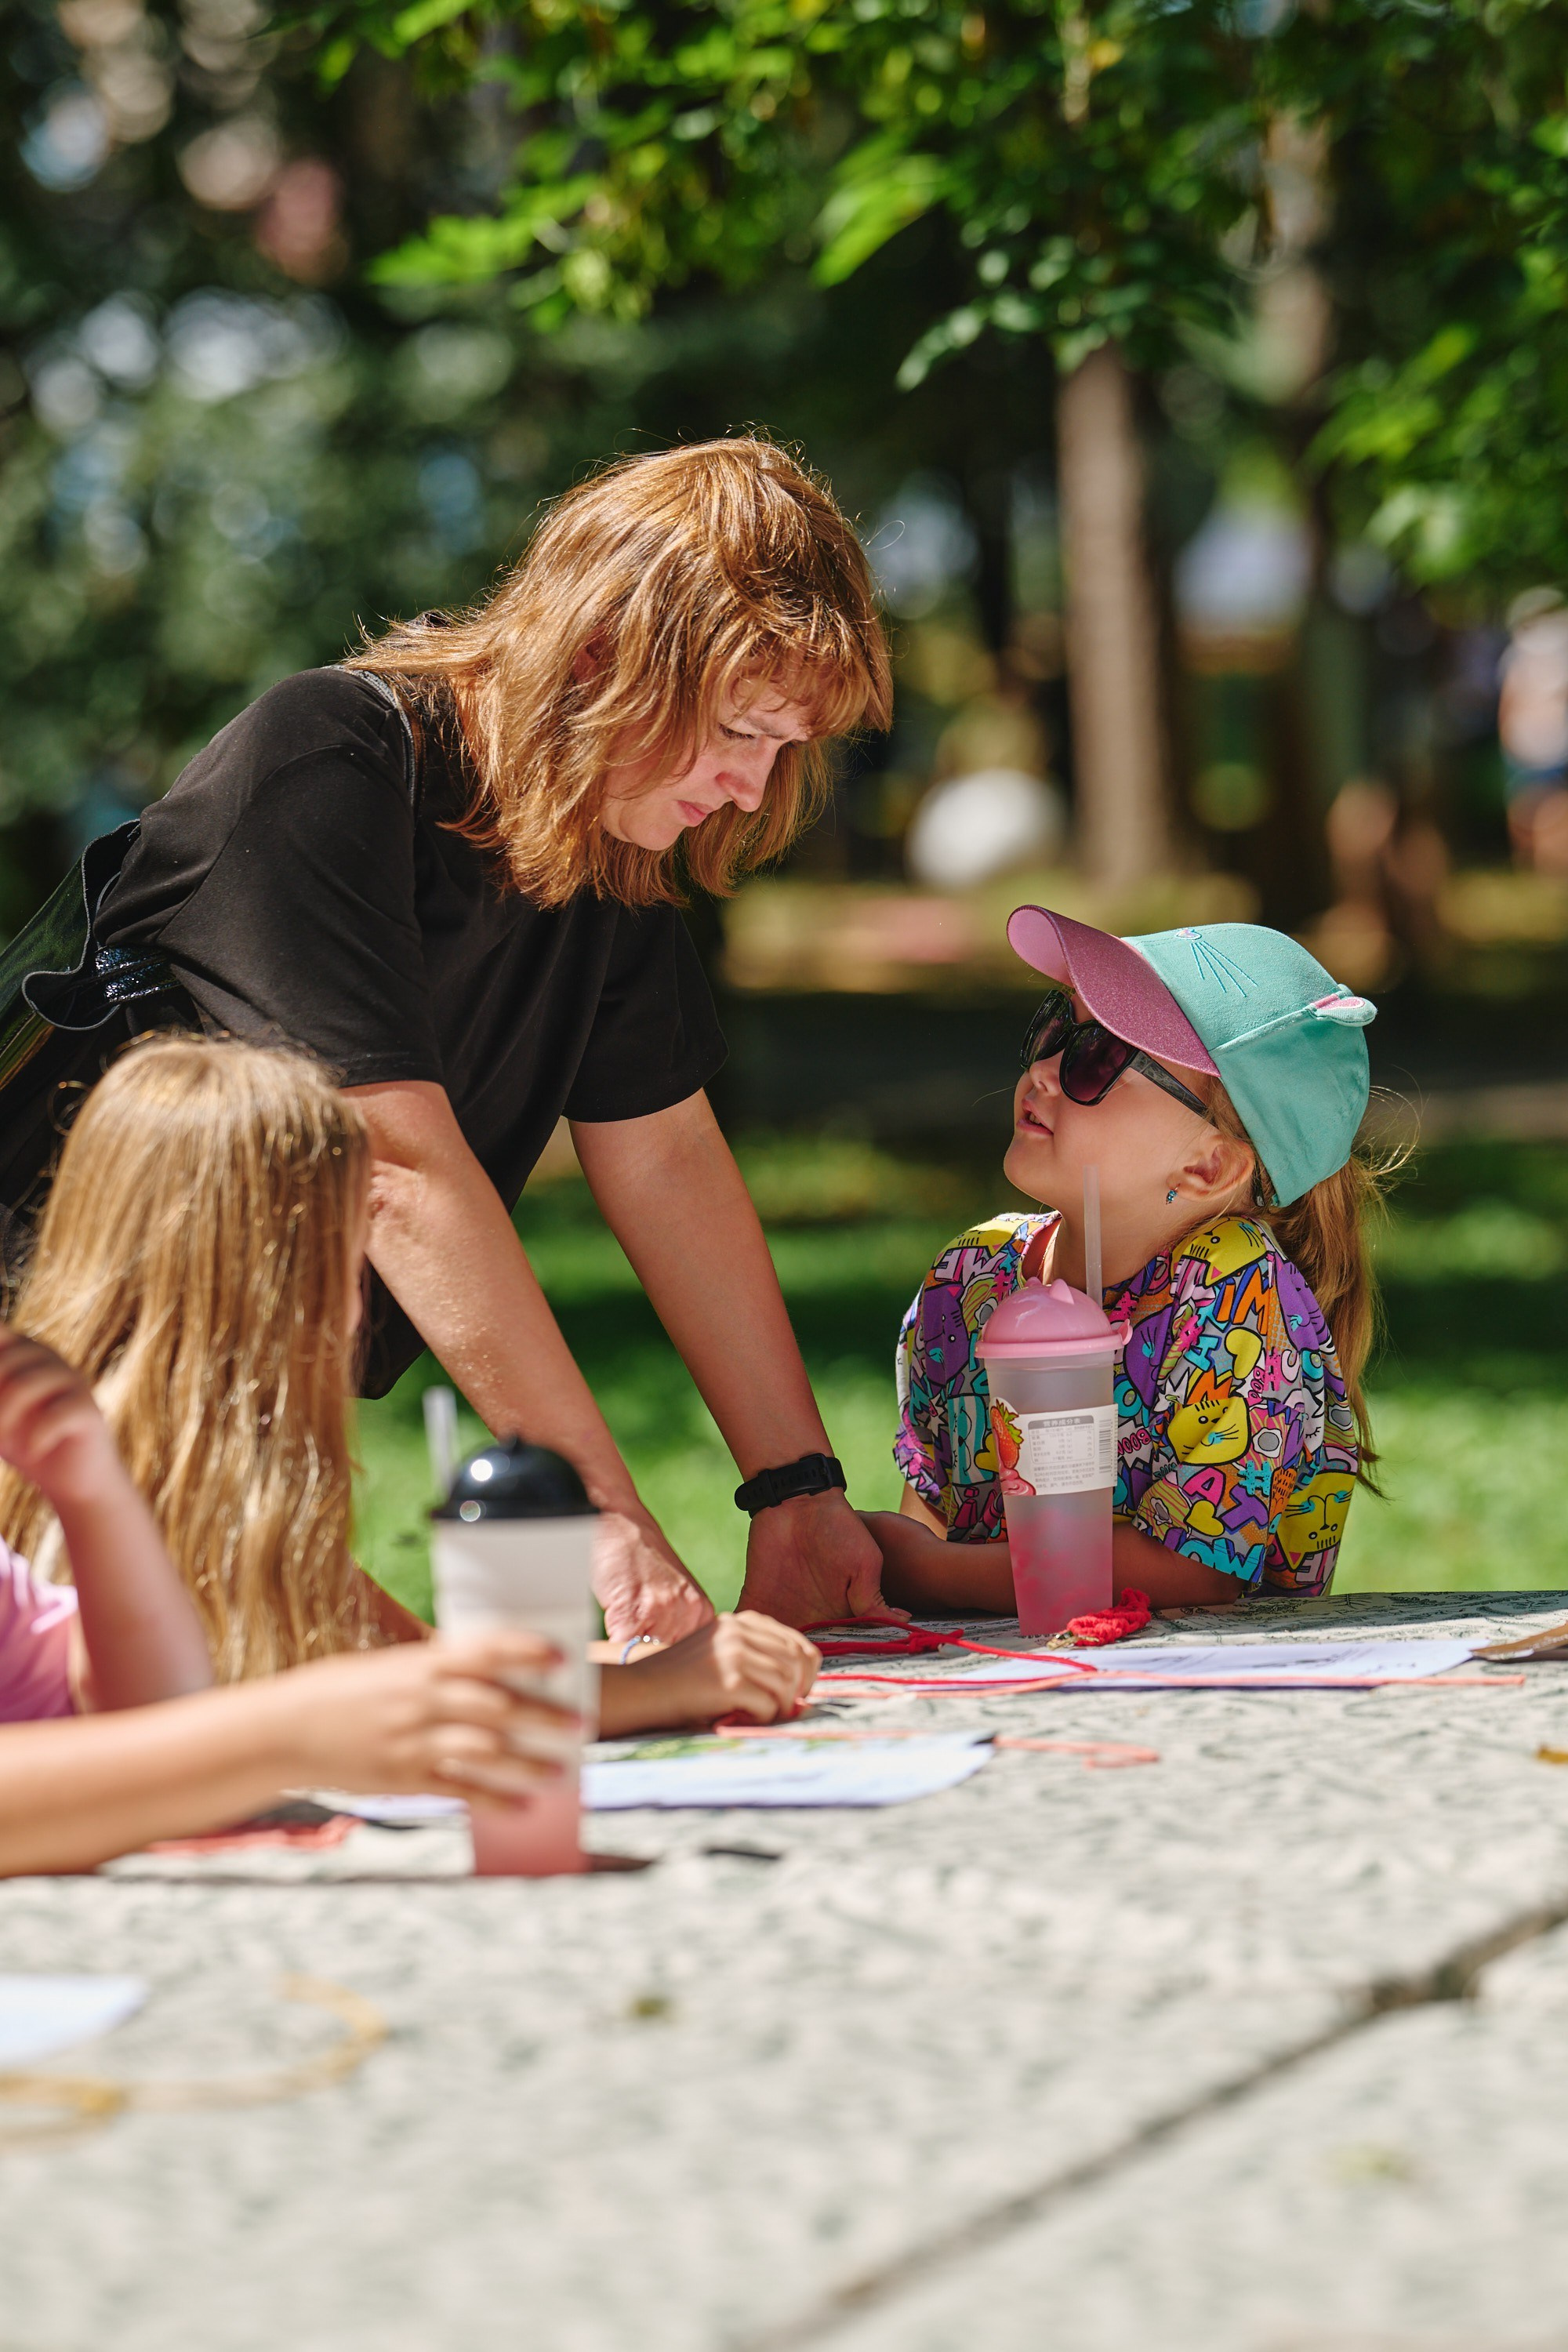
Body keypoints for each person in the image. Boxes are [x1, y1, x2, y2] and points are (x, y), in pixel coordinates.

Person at [89, 437, 894, 1639]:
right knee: (454, 1721)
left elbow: (667, 1156)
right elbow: (395, 1173)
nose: (746, 786)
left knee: (468, 1723)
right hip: (51, 1407)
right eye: (738, 727)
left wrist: (800, 1495)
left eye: (783, 748)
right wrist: (605, 1524)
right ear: (601, 650)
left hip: (195, 1430)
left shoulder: (605, 850)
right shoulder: (326, 763)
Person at [0, 1033, 818, 1731]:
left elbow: (417, 1661)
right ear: (262, 1282)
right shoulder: (135, 1485)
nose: (360, 1313)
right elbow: (370, 1707)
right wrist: (653, 1684)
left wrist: (648, 1662)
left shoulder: (208, 1461)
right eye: (340, 1263)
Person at [868, 909, 1385, 1612]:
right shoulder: (970, 1278)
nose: (1045, 1070)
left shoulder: (1234, 1297)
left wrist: (932, 1574)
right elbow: (933, 1514)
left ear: (1209, 1165)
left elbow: (1195, 1573)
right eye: (1057, 1027)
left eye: (1100, 1056)